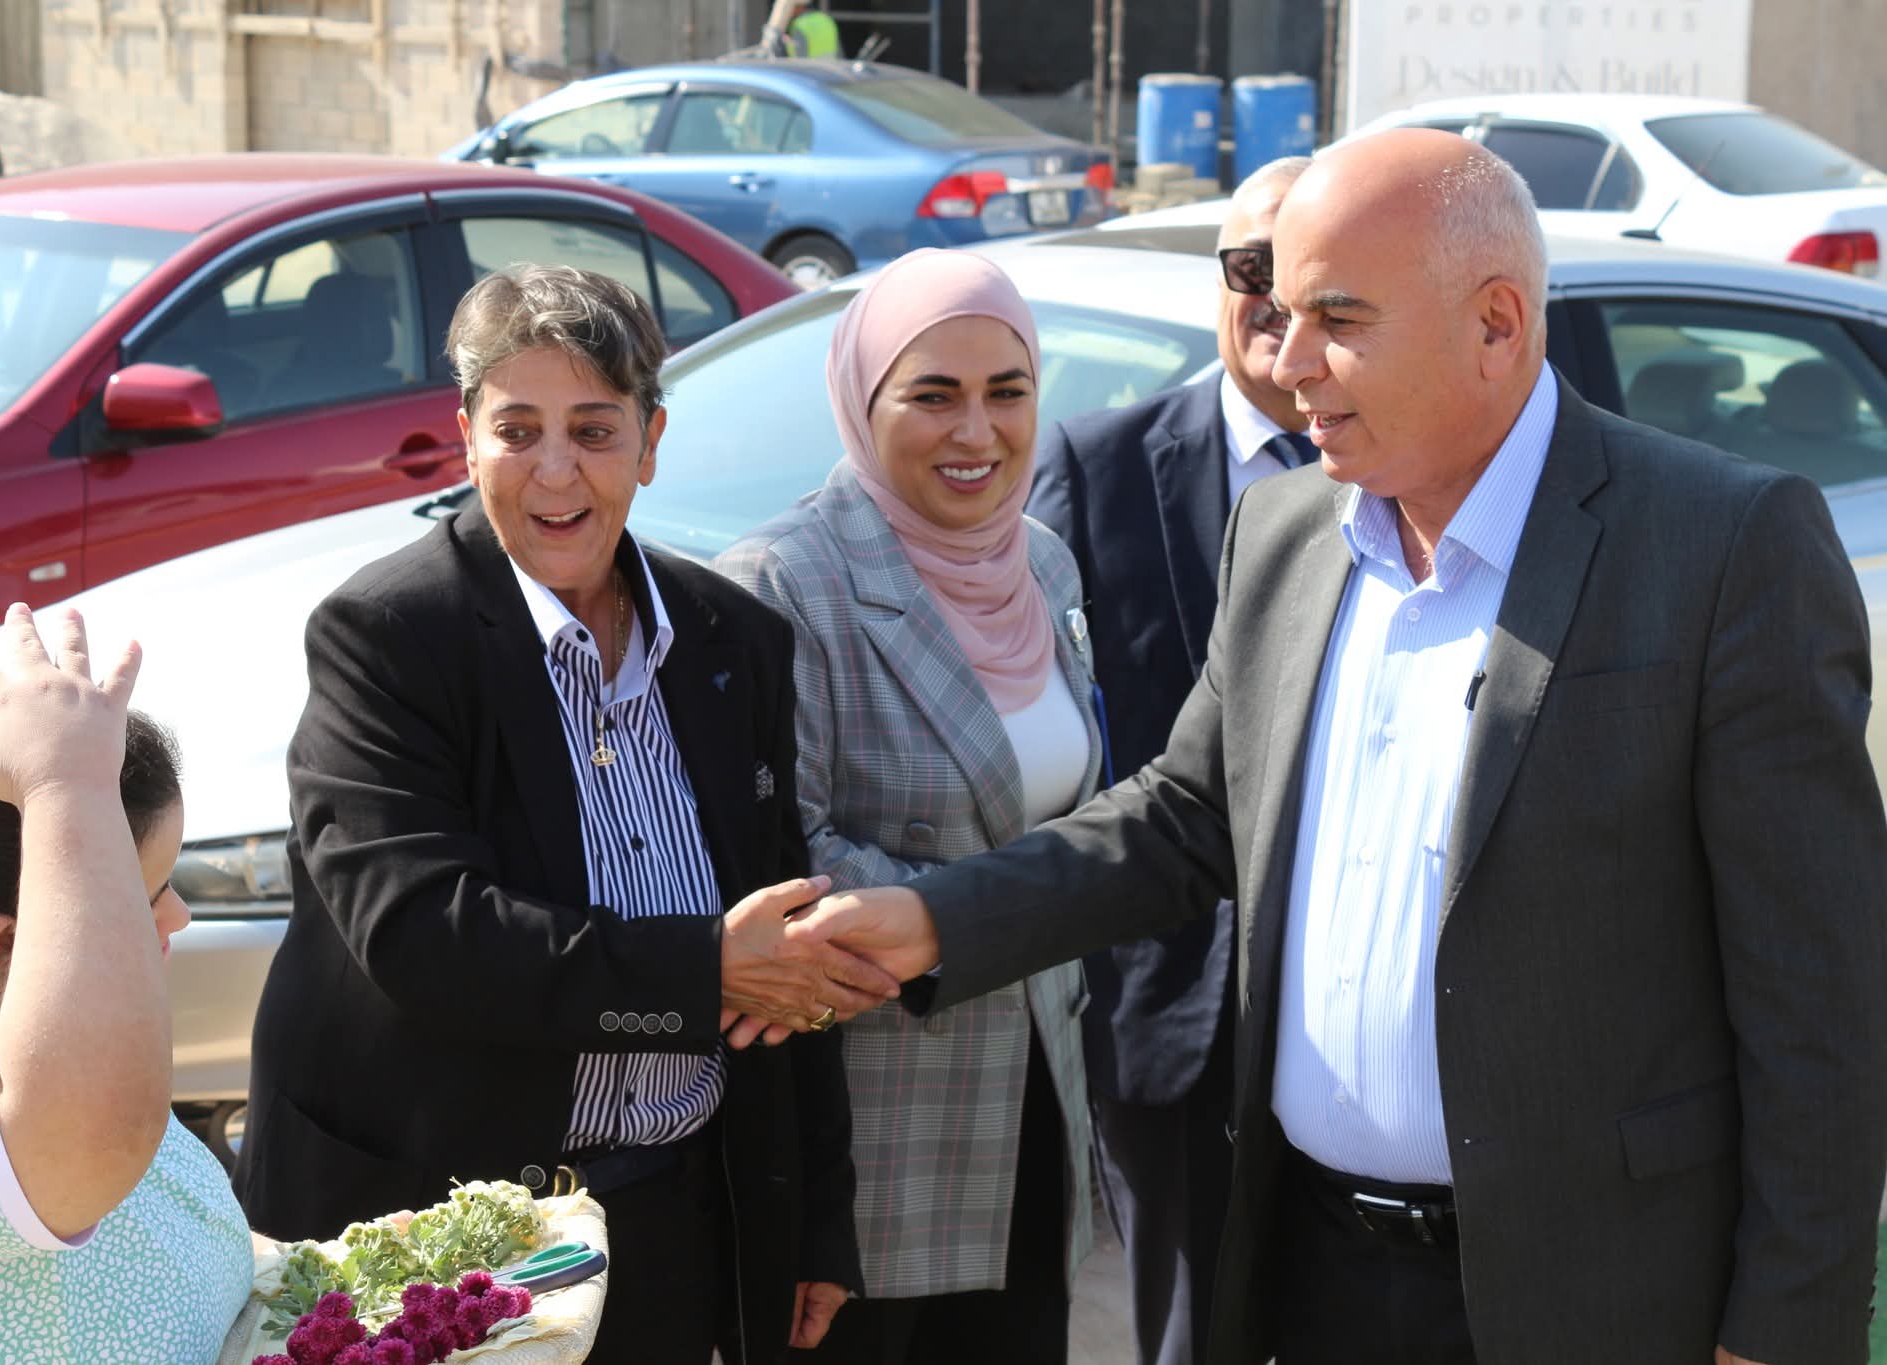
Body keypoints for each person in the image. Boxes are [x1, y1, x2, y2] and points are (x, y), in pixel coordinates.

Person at [791, 130, 1887, 1365]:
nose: (1287, 359)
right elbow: (1184, 817)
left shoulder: (1722, 546)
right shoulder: (1286, 530)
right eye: (1280, 309)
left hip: (1596, 1299)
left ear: (1494, 324)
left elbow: (1819, 1001)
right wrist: (932, 922)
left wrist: (1781, 1330)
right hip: (1311, 1282)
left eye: (1338, 319)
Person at [232, 264, 896, 1364]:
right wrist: (700, 974)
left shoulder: (734, 639)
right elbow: (421, 930)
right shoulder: (387, 636)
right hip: (441, 1243)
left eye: (593, 430)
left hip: (676, 1217)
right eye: (517, 430)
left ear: (650, 441)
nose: (555, 471)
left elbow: (783, 951)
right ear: (466, 439)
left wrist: (814, 1217)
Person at [717, 249, 1101, 1364]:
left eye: (1006, 392)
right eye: (932, 395)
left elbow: (1068, 808)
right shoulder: (784, 583)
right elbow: (784, 859)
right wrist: (1006, 914)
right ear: (860, 399)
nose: (975, 432)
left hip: (1036, 1108)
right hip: (874, 1148)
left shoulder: (1042, 564)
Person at [1023, 155, 1310, 1365]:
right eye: (1250, 267)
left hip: (1351, 1011)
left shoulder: (1408, 486)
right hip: (1166, 1008)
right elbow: (1045, 735)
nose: (1276, 299)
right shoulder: (1094, 467)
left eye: (1307, 274)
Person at [0, 605, 253, 1362]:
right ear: (7, 942)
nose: (180, 915)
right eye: (144, 895)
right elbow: (86, 1141)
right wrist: (65, 784)